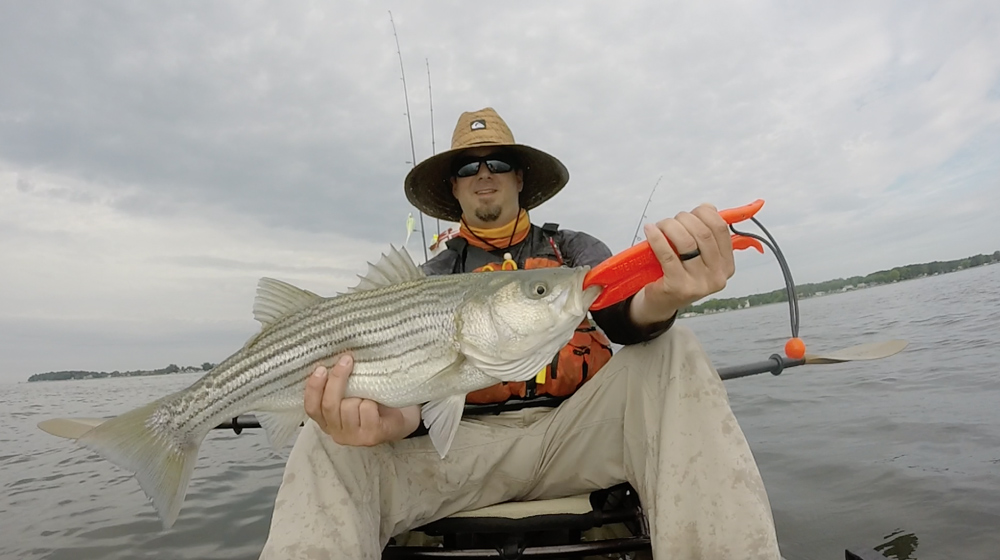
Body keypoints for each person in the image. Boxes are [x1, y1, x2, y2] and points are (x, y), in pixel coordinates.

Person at [259, 108, 781, 559]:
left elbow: (621, 311)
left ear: (519, 178)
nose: (484, 175)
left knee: (678, 349)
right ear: (454, 188)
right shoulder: (430, 279)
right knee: (324, 442)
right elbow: (417, 395)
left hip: (574, 437)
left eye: (499, 163)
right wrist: (388, 421)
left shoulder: (573, 251)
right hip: (459, 455)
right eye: (467, 167)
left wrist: (667, 293)